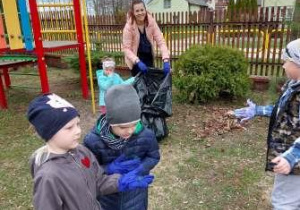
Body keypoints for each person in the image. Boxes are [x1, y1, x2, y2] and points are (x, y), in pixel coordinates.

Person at [27, 93, 154, 210]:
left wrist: (119, 182)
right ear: (49, 132)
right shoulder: (49, 176)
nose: (77, 131)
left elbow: (97, 182)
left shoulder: (81, 152)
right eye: (69, 127)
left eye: (77, 124)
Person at [232, 38, 300, 209]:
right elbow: (283, 111)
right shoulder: (293, 85)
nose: (283, 66)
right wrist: (257, 111)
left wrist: (293, 156)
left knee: (284, 203)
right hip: (287, 156)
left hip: (294, 161)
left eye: (287, 61)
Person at [84, 84, 160, 210]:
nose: (130, 131)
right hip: (108, 198)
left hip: (136, 193)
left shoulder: (146, 135)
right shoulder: (93, 141)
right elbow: (87, 171)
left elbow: (153, 156)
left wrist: (140, 169)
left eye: (134, 124)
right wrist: (108, 169)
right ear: (110, 121)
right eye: (123, 127)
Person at [122, 0, 170, 76]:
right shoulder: (129, 27)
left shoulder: (151, 22)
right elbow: (126, 49)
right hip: (136, 62)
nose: (140, 13)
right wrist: (137, 61)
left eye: (142, 10)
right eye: (137, 11)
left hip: (149, 58)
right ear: (133, 13)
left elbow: (161, 41)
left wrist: (166, 59)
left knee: (150, 84)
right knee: (138, 86)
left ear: (145, 10)